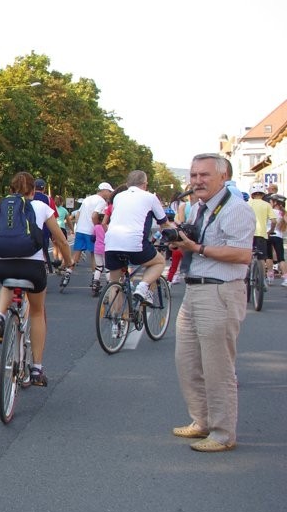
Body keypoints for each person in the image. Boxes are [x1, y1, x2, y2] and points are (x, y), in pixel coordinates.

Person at [167, 153, 252, 453]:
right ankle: (201, 421)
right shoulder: (198, 208)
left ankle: (222, 433)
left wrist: (198, 247)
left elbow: (243, 254)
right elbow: (195, 243)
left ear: (223, 177)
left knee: (218, 367)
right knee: (187, 362)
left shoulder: (235, 209)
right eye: (193, 175)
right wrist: (180, 242)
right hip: (195, 289)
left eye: (204, 175)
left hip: (219, 291)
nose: (197, 181)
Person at [0, 172, 72, 387]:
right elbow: (60, 240)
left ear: (11, 189)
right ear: (33, 190)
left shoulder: (4, 207)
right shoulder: (42, 207)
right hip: (32, 267)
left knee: (7, 282)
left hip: (2, 264)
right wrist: (69, 262)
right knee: (37, 312)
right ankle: (37, 369)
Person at [103, 170, 169, 306]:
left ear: (127, 184)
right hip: (136, 244)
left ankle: (117, 324)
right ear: (145, 184)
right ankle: (143, 286)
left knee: (114, 283)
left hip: (111, 243)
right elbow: (165, 224)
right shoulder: (150, 197)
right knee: (159, 262)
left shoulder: (118, 197)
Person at [70, 182, 113, 270]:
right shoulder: (101, 201)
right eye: (109, 191)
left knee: (76, 253)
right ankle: (95, 278)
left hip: (80, 230)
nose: (110, 194)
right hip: (90, 231)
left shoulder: (87, 199)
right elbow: (94, 215)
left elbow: (78, 213)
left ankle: (68, 272)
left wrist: (79, 225)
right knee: (94, 255)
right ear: (104, 190)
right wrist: (97, 227)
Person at [247, 183, 274, 276]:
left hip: (248, 234)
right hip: (261, 234)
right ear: (263, 194)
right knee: (261, 258)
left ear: (252, 194)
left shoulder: (247, 204)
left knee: (247, 256)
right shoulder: (267, 205)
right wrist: (270, 230)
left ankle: (247, 276)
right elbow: (274, 221)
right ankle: (262, 280)